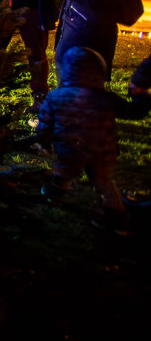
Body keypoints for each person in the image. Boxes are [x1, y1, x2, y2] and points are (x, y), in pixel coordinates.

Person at [37, 46, 129, 235]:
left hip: (70, 150)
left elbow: (45, 122)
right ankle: (117, 218)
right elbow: (133, 112)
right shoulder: (106, 98)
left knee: (65, 171)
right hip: (102, 151)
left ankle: (57, 190)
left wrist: (43, 141)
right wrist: (143, 98)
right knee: (104, 182)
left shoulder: (56, 97)